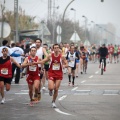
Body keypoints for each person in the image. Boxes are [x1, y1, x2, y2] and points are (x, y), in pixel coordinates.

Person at [34, 44, 68, 108]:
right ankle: (50, 90)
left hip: (59, 74)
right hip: (51, 73)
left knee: (56, 89)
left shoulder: (62, 57)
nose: (56, 49)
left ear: (59, 49)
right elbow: (43, 61)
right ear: (53, 49)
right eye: (55, 48)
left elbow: (66, 64)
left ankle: (53, 101)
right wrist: (36, 63)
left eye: (57, 48)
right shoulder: (50, 56)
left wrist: (64, 66)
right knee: (51, 88)